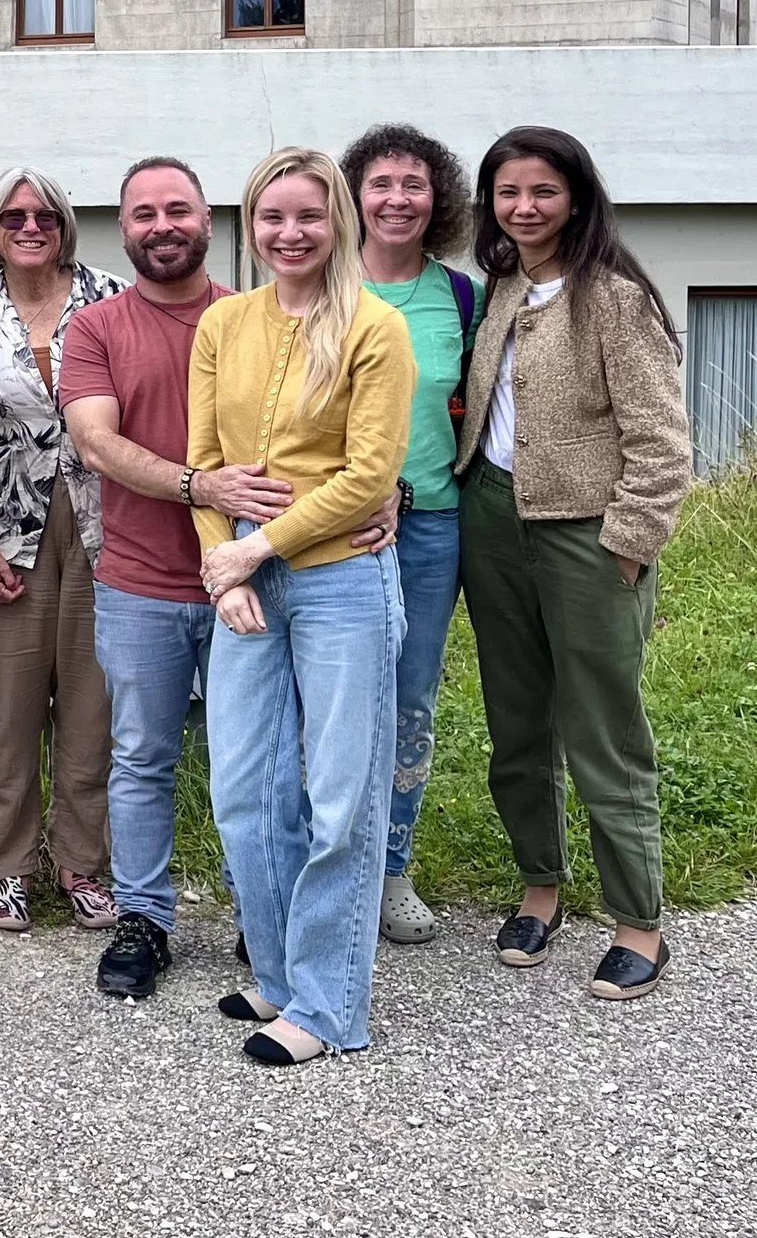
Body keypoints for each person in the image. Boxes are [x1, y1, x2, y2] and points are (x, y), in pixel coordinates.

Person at [455, 127, 693, 1001]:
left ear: (578, 197)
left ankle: (639, 920)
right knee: (517, 723)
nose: (525, 207)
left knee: (603, 729)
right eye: (508, 193)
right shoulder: (503, 288)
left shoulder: (616, 299)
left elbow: (664, 448)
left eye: (543, 191)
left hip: (587, 535)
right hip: (493, 522)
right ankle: (540, 887)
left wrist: (628, 547)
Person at [190, 147, 414, 1067]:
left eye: (309, 217)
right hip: (244, 582)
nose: (290, 233)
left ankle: (328, 1007)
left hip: (340, 583)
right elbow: (204, 462)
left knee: (339, 796)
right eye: (272, 217)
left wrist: (254, 546)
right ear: (251, 223)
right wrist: (225, 564)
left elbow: (371, 475)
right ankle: (279, 976)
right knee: (245, 791)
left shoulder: (376, 325)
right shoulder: (224, 324)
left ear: (340, 225)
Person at [57, 159, 235, 1001]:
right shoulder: (94, 328)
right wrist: (201, 484)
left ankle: (260, 912)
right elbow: (97, 443)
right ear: (122, 230)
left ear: (207, 219)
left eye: (178, 209)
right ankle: (144, 918)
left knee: (258, 758)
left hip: (251, 578)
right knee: (142, 757)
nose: (161, 225)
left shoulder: (251, 317)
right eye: (143, 213)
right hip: (140, 582)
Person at [0, 167, 121, 935]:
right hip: (6, 526)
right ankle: (7, 870)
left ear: (65, 222)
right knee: (5, 706)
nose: (30, 225)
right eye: (13, 215)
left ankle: (83, 865)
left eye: (44, 213)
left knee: (92, 701)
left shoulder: (112, 297)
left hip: (107, 523)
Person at [339, 124, 479, 947]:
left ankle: (391, 868)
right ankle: (330, 864)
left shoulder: (460, 297)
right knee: (326, 701)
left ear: (439, 200)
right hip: (334, 527)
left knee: (409, 704)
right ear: (353, 192)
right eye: (382, 182)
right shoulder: (319, 287)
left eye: (415, 184)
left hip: (429, 527)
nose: (398, 198)